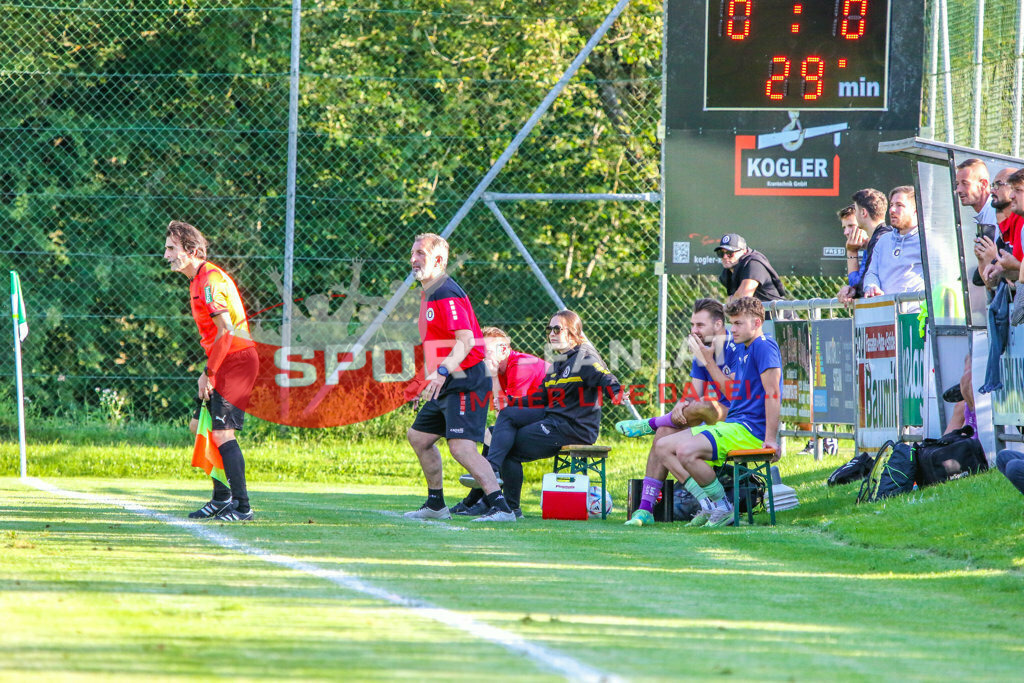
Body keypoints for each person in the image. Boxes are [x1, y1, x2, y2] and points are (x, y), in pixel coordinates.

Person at [405, 233, 516, 522]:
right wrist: (428, 379)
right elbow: (437, 344)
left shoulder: (445, 291)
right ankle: (435, 505)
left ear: (439, 261)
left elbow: (465, 340)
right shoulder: (430, 291)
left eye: (421, 254)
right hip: (447, 380)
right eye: (413, 253)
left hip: (465, 379)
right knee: (419, 437)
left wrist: (441, 372)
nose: (413, 259)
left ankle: (501, 508)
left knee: (461, 447)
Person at [650, 297, 782, 528]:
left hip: (749, 429)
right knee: (663, 446)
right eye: (732, 323)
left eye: (739, 323)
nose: (733, 329)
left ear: (757, 322)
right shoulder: (744, 349)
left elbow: (773, 394)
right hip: (734, 425)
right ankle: (711, 505)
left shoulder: (764, 346)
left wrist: (770, 439)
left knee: (686, 451)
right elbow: (733, 393)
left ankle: (722, 506)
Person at [483, 310, 621, 520]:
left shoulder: (584, 356)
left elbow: (604, 376)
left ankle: (507, 507)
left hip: (573, 428)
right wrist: (510, 402)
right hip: (553, 419)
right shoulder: (558, 363)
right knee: (508, 414)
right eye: (550, 329)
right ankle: (497, 484)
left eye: (558, 329)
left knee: (507, 447)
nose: (552, 333)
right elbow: (540, 397)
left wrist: (617, 392)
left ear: (574, 334)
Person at [164, 220, 260, 522]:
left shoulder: (209, 281)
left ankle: (242, 507)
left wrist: (210, 372)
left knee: (222, 432)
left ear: (192, 251)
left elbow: (226, 331)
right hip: (225, 360)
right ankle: (221, 498)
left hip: (237, 361)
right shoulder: (196, 281)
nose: (166, 255)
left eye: (171, 249)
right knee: (203, 428)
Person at [616, 298, 740, 527]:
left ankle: (649, 423)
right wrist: (681, 404)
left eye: (700, 325)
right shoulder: (701, 353)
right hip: (707, 417)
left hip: (734, 416)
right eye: (692, 325)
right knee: (664, 432)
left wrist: (708, 360)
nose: (694, 331)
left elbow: (734, 395)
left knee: (707, 404)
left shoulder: (735, 346)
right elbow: (693, 392)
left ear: (718, 324)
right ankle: (645, 509)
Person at [451, 326, 549, 516]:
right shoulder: (503, 368)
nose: (483, 358)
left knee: (499, 438)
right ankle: (483, 500)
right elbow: (502, 414)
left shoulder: (521, 365)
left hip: (553, 419)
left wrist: (494, 375)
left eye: (486, 352)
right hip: (534, 416)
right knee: (495, 435)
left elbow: (504, 413)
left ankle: (485, 500)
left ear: (504, 350)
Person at [862, 186, 923, 303]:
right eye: (891, 205)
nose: (892, 210)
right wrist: (871, 286)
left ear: (915, 210)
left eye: (899, 205)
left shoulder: (927, 241)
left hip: (917, 315)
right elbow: (872, 273)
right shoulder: (883, 241)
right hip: (886, 314)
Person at [838, 188, 892, 302]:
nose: (846, 232)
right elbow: (860, 284)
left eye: (851, 225)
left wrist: (851, 252)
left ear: (863, 213)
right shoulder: (872, 244)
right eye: (844, 227)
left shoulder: (881, 240)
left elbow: (863, 288)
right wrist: (853, 290)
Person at [715, 233, 788, 310]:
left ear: (743, 251)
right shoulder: (728, 271)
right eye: (721, 253)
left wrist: (730, 300)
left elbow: (743, 297)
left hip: (780, 318)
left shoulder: (754, 263)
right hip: (756, 319)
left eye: (730, 253)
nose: (725, 257)